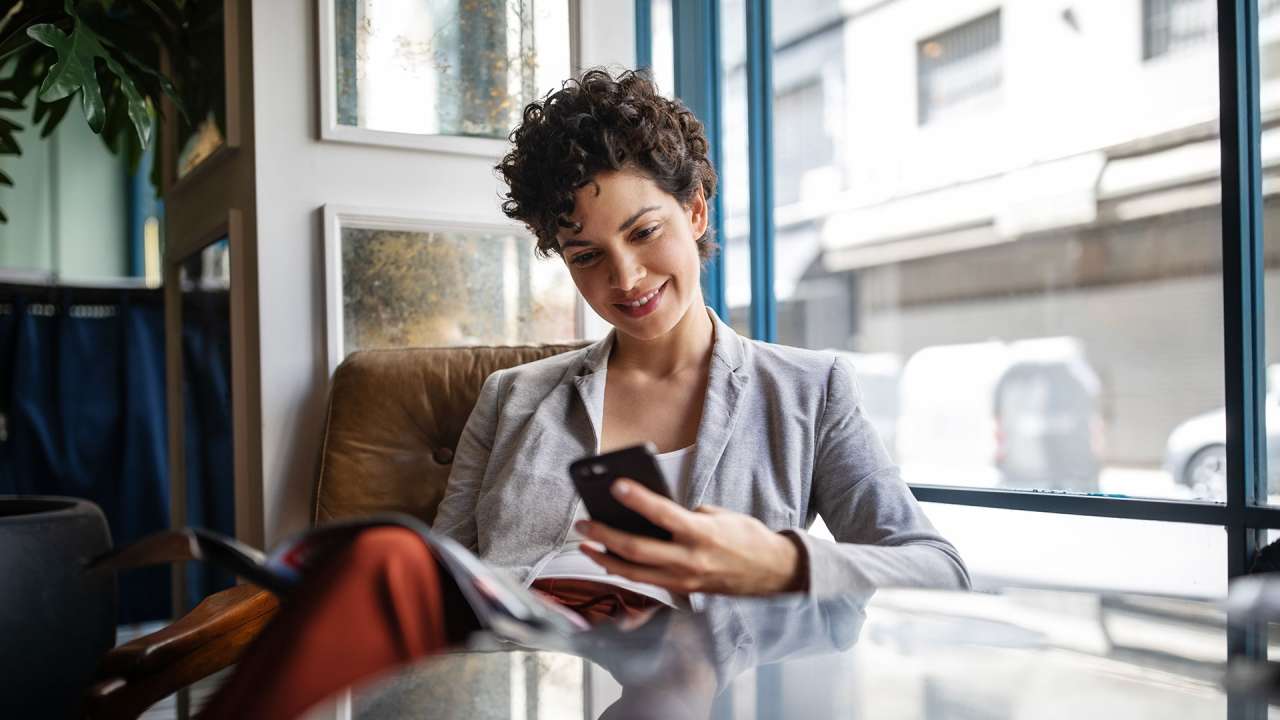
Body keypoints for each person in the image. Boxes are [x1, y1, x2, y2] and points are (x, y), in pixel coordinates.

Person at [201, 68, 969, 719]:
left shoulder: (807, 391)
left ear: (696, 209)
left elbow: (938, 569)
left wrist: (780, 562)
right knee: (387, 560)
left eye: (644, 232)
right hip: (527, 694)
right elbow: (448, 584)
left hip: (709, 692)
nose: (625, 279)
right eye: (586, 255)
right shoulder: (511, 399)